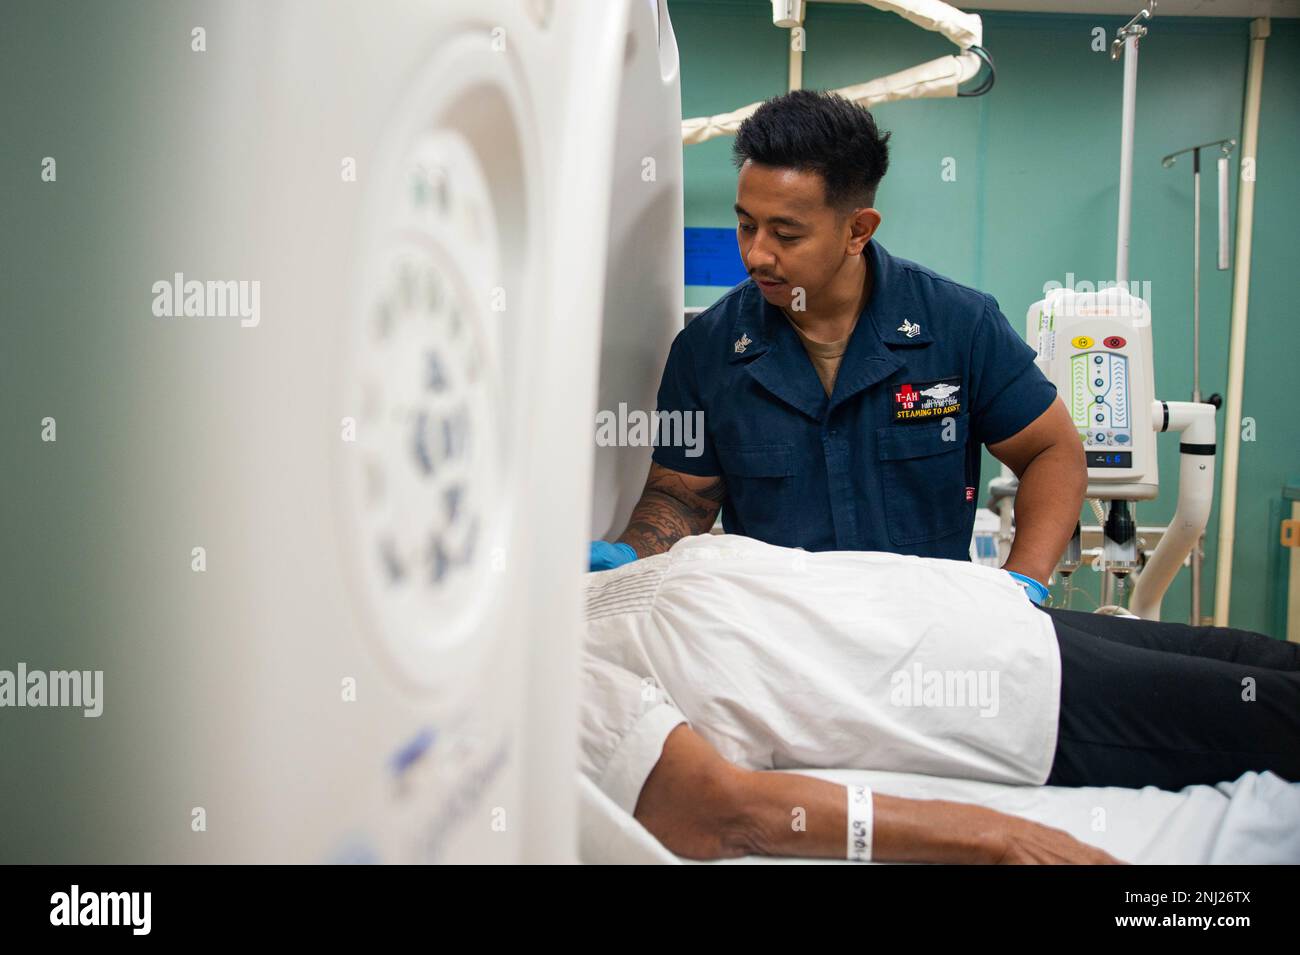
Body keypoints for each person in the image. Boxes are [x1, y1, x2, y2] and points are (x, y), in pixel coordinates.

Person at [591, 90, 1085, 608]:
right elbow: (681, 496)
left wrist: (1023, 582)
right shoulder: (707, 350)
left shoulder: (960, 326)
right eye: (746, 225)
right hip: (776, 641)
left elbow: (1052, 451)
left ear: (857, 230)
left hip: (926, 638)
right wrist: (629, 558)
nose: (756, 254)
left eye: (785, 234)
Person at [580, 535, 1300, 864]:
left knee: (1261, 661)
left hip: (993, 615)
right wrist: (990, 836)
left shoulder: (545, 595)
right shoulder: (540, 690)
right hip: (1011, 698)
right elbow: (724, 813)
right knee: (1275, 714)